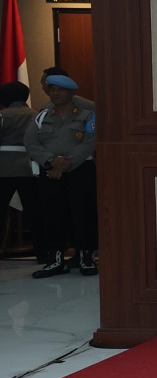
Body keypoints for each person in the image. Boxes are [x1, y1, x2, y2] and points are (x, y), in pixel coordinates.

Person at [24, 73, 97, 277]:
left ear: (71, 92)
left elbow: (91, 142)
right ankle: (55, 260)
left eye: (59, 89)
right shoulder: (42, 115)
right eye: (52, 89)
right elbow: (30, 142)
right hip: (50, 171)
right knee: (52, 215)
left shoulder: (86, 113)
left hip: (80, 170)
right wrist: (51, 161)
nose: (54, 93)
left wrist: (65, 164)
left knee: (83, 214)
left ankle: (86, 258)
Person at [0, 82, 43, 261]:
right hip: (30, 167)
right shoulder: (37, 115)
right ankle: (43, 252)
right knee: (35, 212)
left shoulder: (2, 115)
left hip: (3, 169)